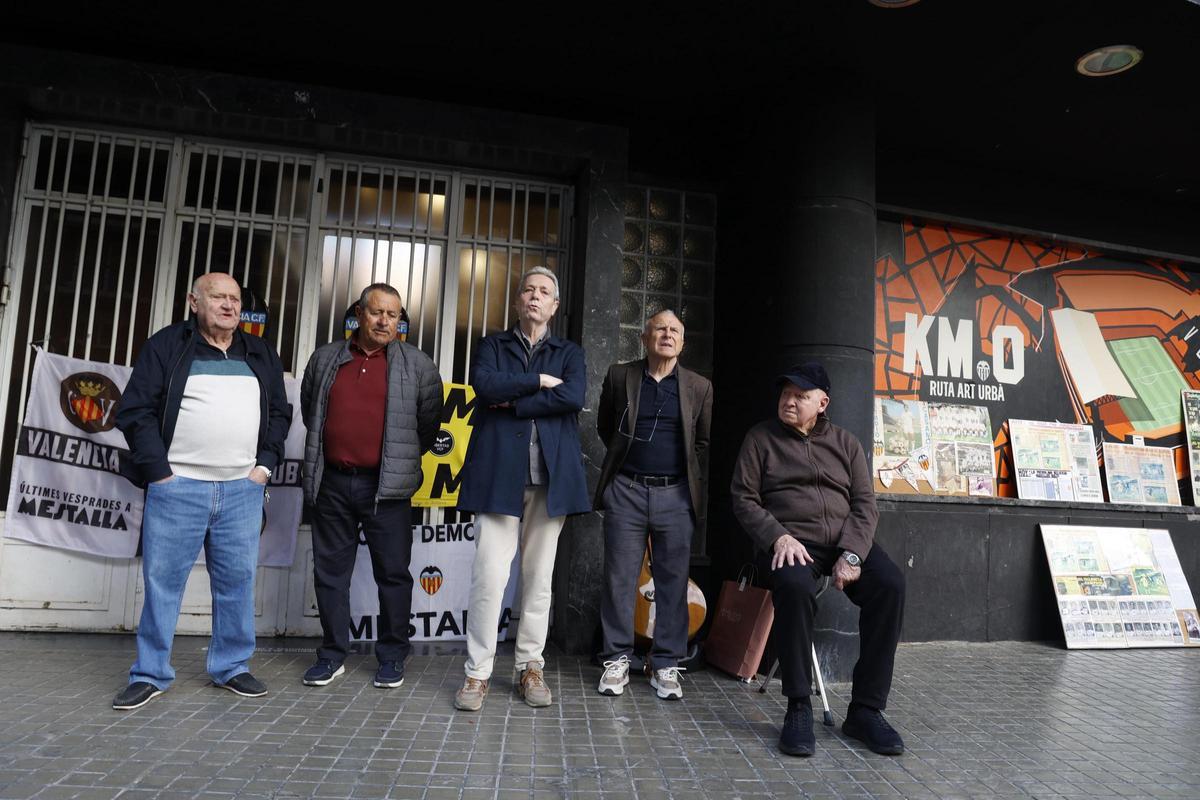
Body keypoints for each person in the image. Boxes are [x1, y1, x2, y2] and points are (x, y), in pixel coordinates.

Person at [113, 272, 291, 710]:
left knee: (237, 582)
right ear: (194, 301)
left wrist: (264, 467)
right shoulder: (167, 345)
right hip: (178, 487)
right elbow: (135, 410)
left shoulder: (260, 351)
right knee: (162, 584)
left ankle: (231, 667)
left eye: (235, 299)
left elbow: (280, 415)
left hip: (242, 490)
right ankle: (150, 673)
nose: (229, 306)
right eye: (218, 297)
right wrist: (160, 473)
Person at [730, 362, 906, 757]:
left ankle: (865, 710)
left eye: (800, 396)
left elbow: (864, 504)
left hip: (845, 542)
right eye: (785, 394)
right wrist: (777, 536)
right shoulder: (761, 439)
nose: (789, 401)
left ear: (822, 403)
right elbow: (743, 498)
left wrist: (854, 553)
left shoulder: (846, 443)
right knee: (792, 587)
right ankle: (798, 707)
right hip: (792, 542)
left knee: (891, 585)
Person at [453, 266, 589, 711]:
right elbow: (484, 386)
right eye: (527, 290)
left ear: (554, 306)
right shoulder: (493, 345)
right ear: (517, 302)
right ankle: (477, 673)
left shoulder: (569, 352)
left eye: (544, 291)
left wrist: (514, 401)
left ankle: (531, 666)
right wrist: (537, 381)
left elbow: (573, 397)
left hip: (550, 479)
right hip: (498, 475)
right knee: (489, 577)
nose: (535, 296)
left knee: (539, 580)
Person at [299, 283, 443, 690]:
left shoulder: (418, 365)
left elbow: (428, 427)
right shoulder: (326, 358)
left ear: (400, 321)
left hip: (388, 489)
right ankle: (331, 655)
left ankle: (393, 656)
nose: (384, 322)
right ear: (359, 313)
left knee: (393, 575)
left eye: (393, 315)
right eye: (376, 312)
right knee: (330, 574)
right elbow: (313, 414)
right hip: (333, 484)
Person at [593, 310, 712, 700]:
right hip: (626, 489)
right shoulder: (619, 376)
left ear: (682, 342)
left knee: (673, 581)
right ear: (644, 338)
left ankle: (666, 665)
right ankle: (616, 659)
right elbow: (605, 427)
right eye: (659, 328)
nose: (667, 334)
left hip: (675, 494)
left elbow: (702, 443)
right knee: (619, 578)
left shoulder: (698, 386)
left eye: (674, 330)